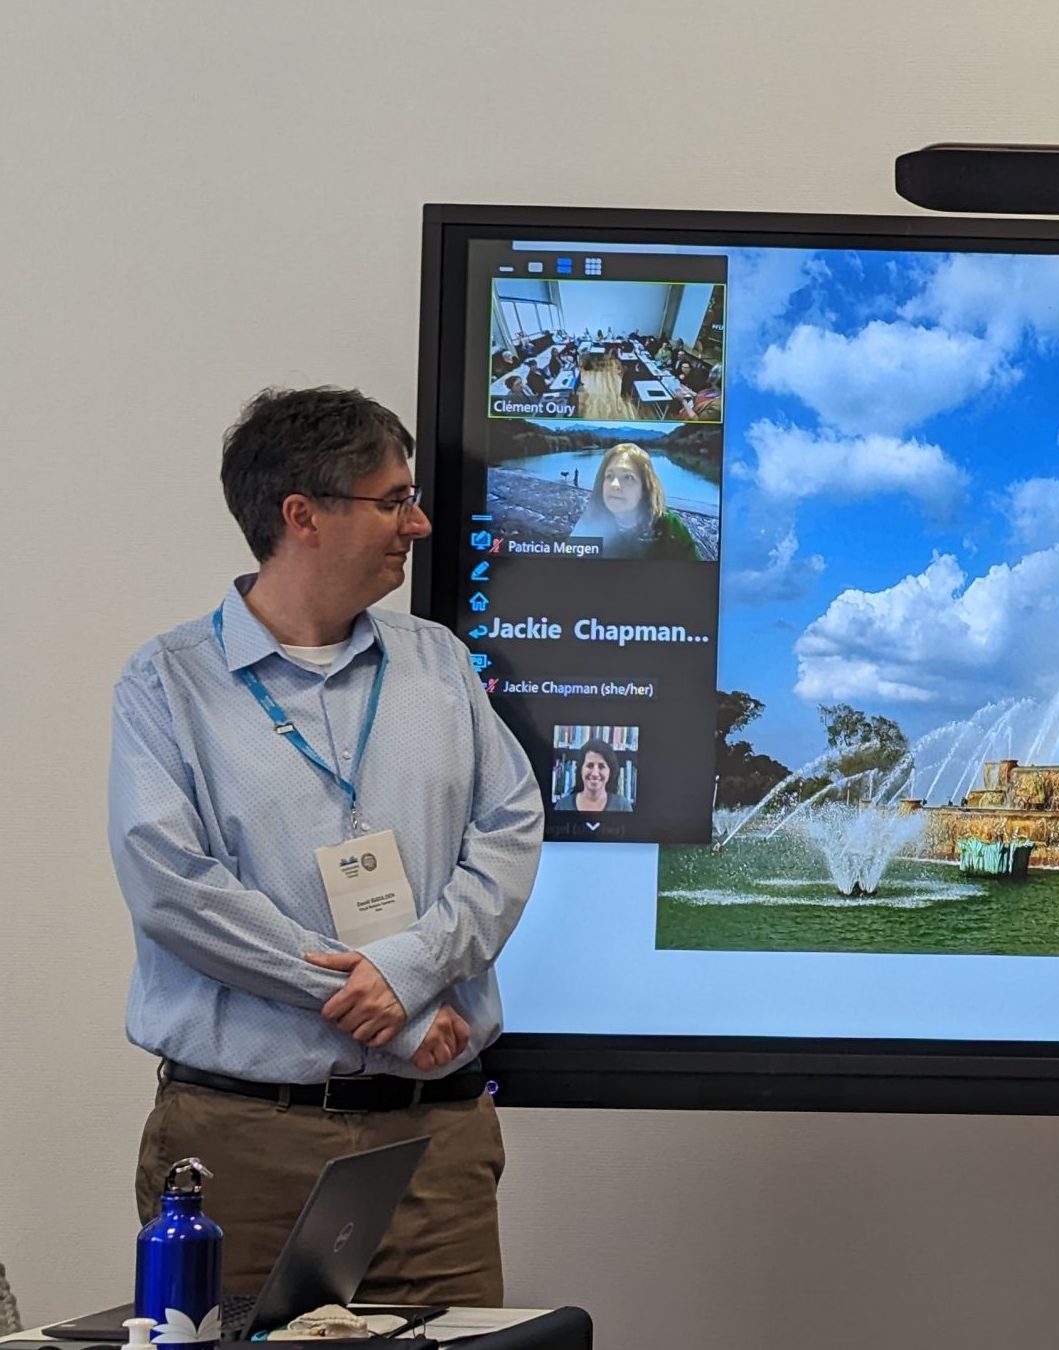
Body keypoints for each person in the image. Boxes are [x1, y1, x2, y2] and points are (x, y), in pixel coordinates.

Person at [109, 387, 543, 1306]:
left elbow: (509, 831)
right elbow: (175, 890)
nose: (418, 523)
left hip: (435, 1151)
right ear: (301, 516)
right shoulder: (166, 685)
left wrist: (415, 968)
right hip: (242, 1148)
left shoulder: (439, 664)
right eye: (393, 501)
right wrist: (376, 997)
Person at [569, 442, 703, 561]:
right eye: (609, 476)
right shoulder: (590, 521)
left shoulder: (669, 527)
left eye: (628, 477)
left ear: (645, 488)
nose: (614, 485)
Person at [552, 738, 632, 813]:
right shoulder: (562, 806)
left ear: (610, 772)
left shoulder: (623, 807)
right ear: (581, 770)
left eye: (601, 766)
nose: (594, 773)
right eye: (590, 766)